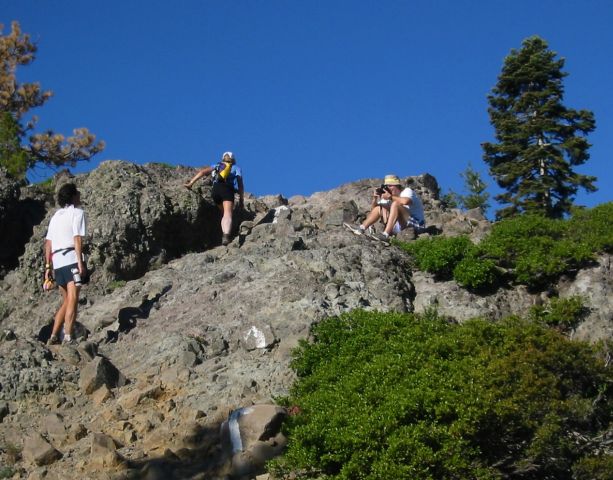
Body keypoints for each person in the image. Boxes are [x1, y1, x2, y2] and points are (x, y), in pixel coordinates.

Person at [44, 183, 87, 345]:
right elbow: (77, 238)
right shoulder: (77, 213)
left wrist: (48, 268)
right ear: (74, 196)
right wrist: (80, 262)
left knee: (66, 300)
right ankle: (68, 336)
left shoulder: (56, 217)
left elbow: (48, 243)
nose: (80, 196)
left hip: (57, 262)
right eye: (77, 193)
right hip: (70, 259)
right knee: (73, 298)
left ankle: (53, 335)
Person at [184, 151, 244, 246]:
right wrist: (241, 199)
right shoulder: (236, 168)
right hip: (227, 190)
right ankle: (226, 235)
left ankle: (225, 232)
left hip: (215, 191)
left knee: (223, 212)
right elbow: (240, 185)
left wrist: (190, 183)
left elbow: (202, 172)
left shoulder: (216, 165)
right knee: (227, 214)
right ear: (233, 159)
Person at [344, 174, 425, 242]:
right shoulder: (389, 197)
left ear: (397, 185)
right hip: (399, 227)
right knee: (380, 208)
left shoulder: (406, 191)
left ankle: (385, 235)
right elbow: (374, 211)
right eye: (387, 186)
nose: (388, 188)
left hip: (416, 225)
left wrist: (390, 197)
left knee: (396, 204)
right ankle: (361, 228)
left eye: (390, 186)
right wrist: (375, 199)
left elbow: (405, 202)